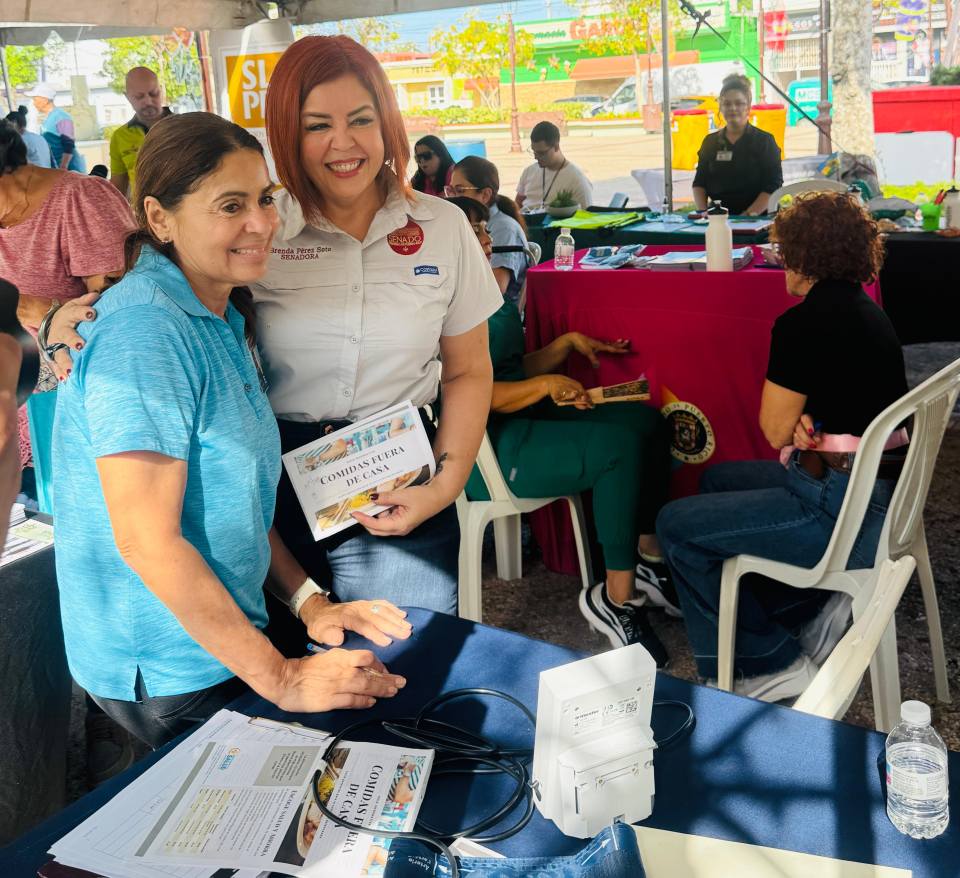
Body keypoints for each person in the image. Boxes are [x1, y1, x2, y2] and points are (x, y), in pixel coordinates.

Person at [47, 36, 501, 620]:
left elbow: (468, 369)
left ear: (388, 123)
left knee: (404, 663)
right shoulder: (259, 223)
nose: (344, 143)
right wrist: (65, 319)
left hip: (398, 471)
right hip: (270, 480)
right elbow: (164, 287)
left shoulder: (442, 227)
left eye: (362, 119)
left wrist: (443, 485)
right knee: (289, 674)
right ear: (287, 133)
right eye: (317, 125)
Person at [52, 112, 410, 749]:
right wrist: (283, 678)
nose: (262, 222)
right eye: (231, 205)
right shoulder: (148, 333)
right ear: (160, 219)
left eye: (265, 199)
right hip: (167, 663)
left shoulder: (217, 313)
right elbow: (146, 539)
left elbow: (231, 500)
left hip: (221, 637)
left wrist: (308, 602)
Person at [656, 191, 908, 701]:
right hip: (879, 496)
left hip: (839, 513)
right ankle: (804, 611)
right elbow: (841, 399)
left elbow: (774, 430)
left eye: (781, 250)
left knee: (675, 525)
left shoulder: (801, 324)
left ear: (804, 256)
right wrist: (806, 417)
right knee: (714, 481)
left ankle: (766, 664)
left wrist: (795, 422)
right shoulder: (868, 310)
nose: (778, 261)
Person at [449, 195, 674, 666]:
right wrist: (547, 384)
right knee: (617, 448)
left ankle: (646, 558)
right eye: (472, 230)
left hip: (521, 421)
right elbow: (476, 394)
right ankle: (615, 598)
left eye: (484, 228)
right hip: (490, 449)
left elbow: (508, 369)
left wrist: (561, 348)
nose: (486, 239)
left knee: (647, 420)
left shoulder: (487, 290)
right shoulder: (444, 304)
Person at [692, 74, 782, 216]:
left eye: (739, 103)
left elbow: (773, 184)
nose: (733, 108)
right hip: (718, 218)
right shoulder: (710, 142)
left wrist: (748, 216)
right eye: (727, 104)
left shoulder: (764, 141)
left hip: (758, 219)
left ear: (748, 107)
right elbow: (699, 183)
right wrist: (703, 213)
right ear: (720, 107)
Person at [448, 156, 529, 309]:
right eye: (450, 190)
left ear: (485, 195)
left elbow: (496, 289)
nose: (452, 197)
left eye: (459, 190)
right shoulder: (458, 222)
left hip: (495, 315)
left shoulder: (504, 228)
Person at [109, 66, 171, 199]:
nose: (148, 101)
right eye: (139, 97)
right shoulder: (120, 137)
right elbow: (117, 188)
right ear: (127, 97)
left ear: (161, 90)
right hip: (142, 215)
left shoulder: (184, 127)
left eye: (154, 94)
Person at [515, 121, 592, 211]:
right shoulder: (529, 171)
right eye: (533, 151)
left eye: (541, 153)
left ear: (556, 147)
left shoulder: (577, 179)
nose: (536, 157)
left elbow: (586, 215)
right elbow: (517, 203)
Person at [26, 83, 86, 173]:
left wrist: (63, 167)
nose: (34, 103)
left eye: (35, 99)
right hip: (57, 168)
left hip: (69, 169)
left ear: (45, 100)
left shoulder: (61, 117)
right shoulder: (48, 118)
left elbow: (68, 144)